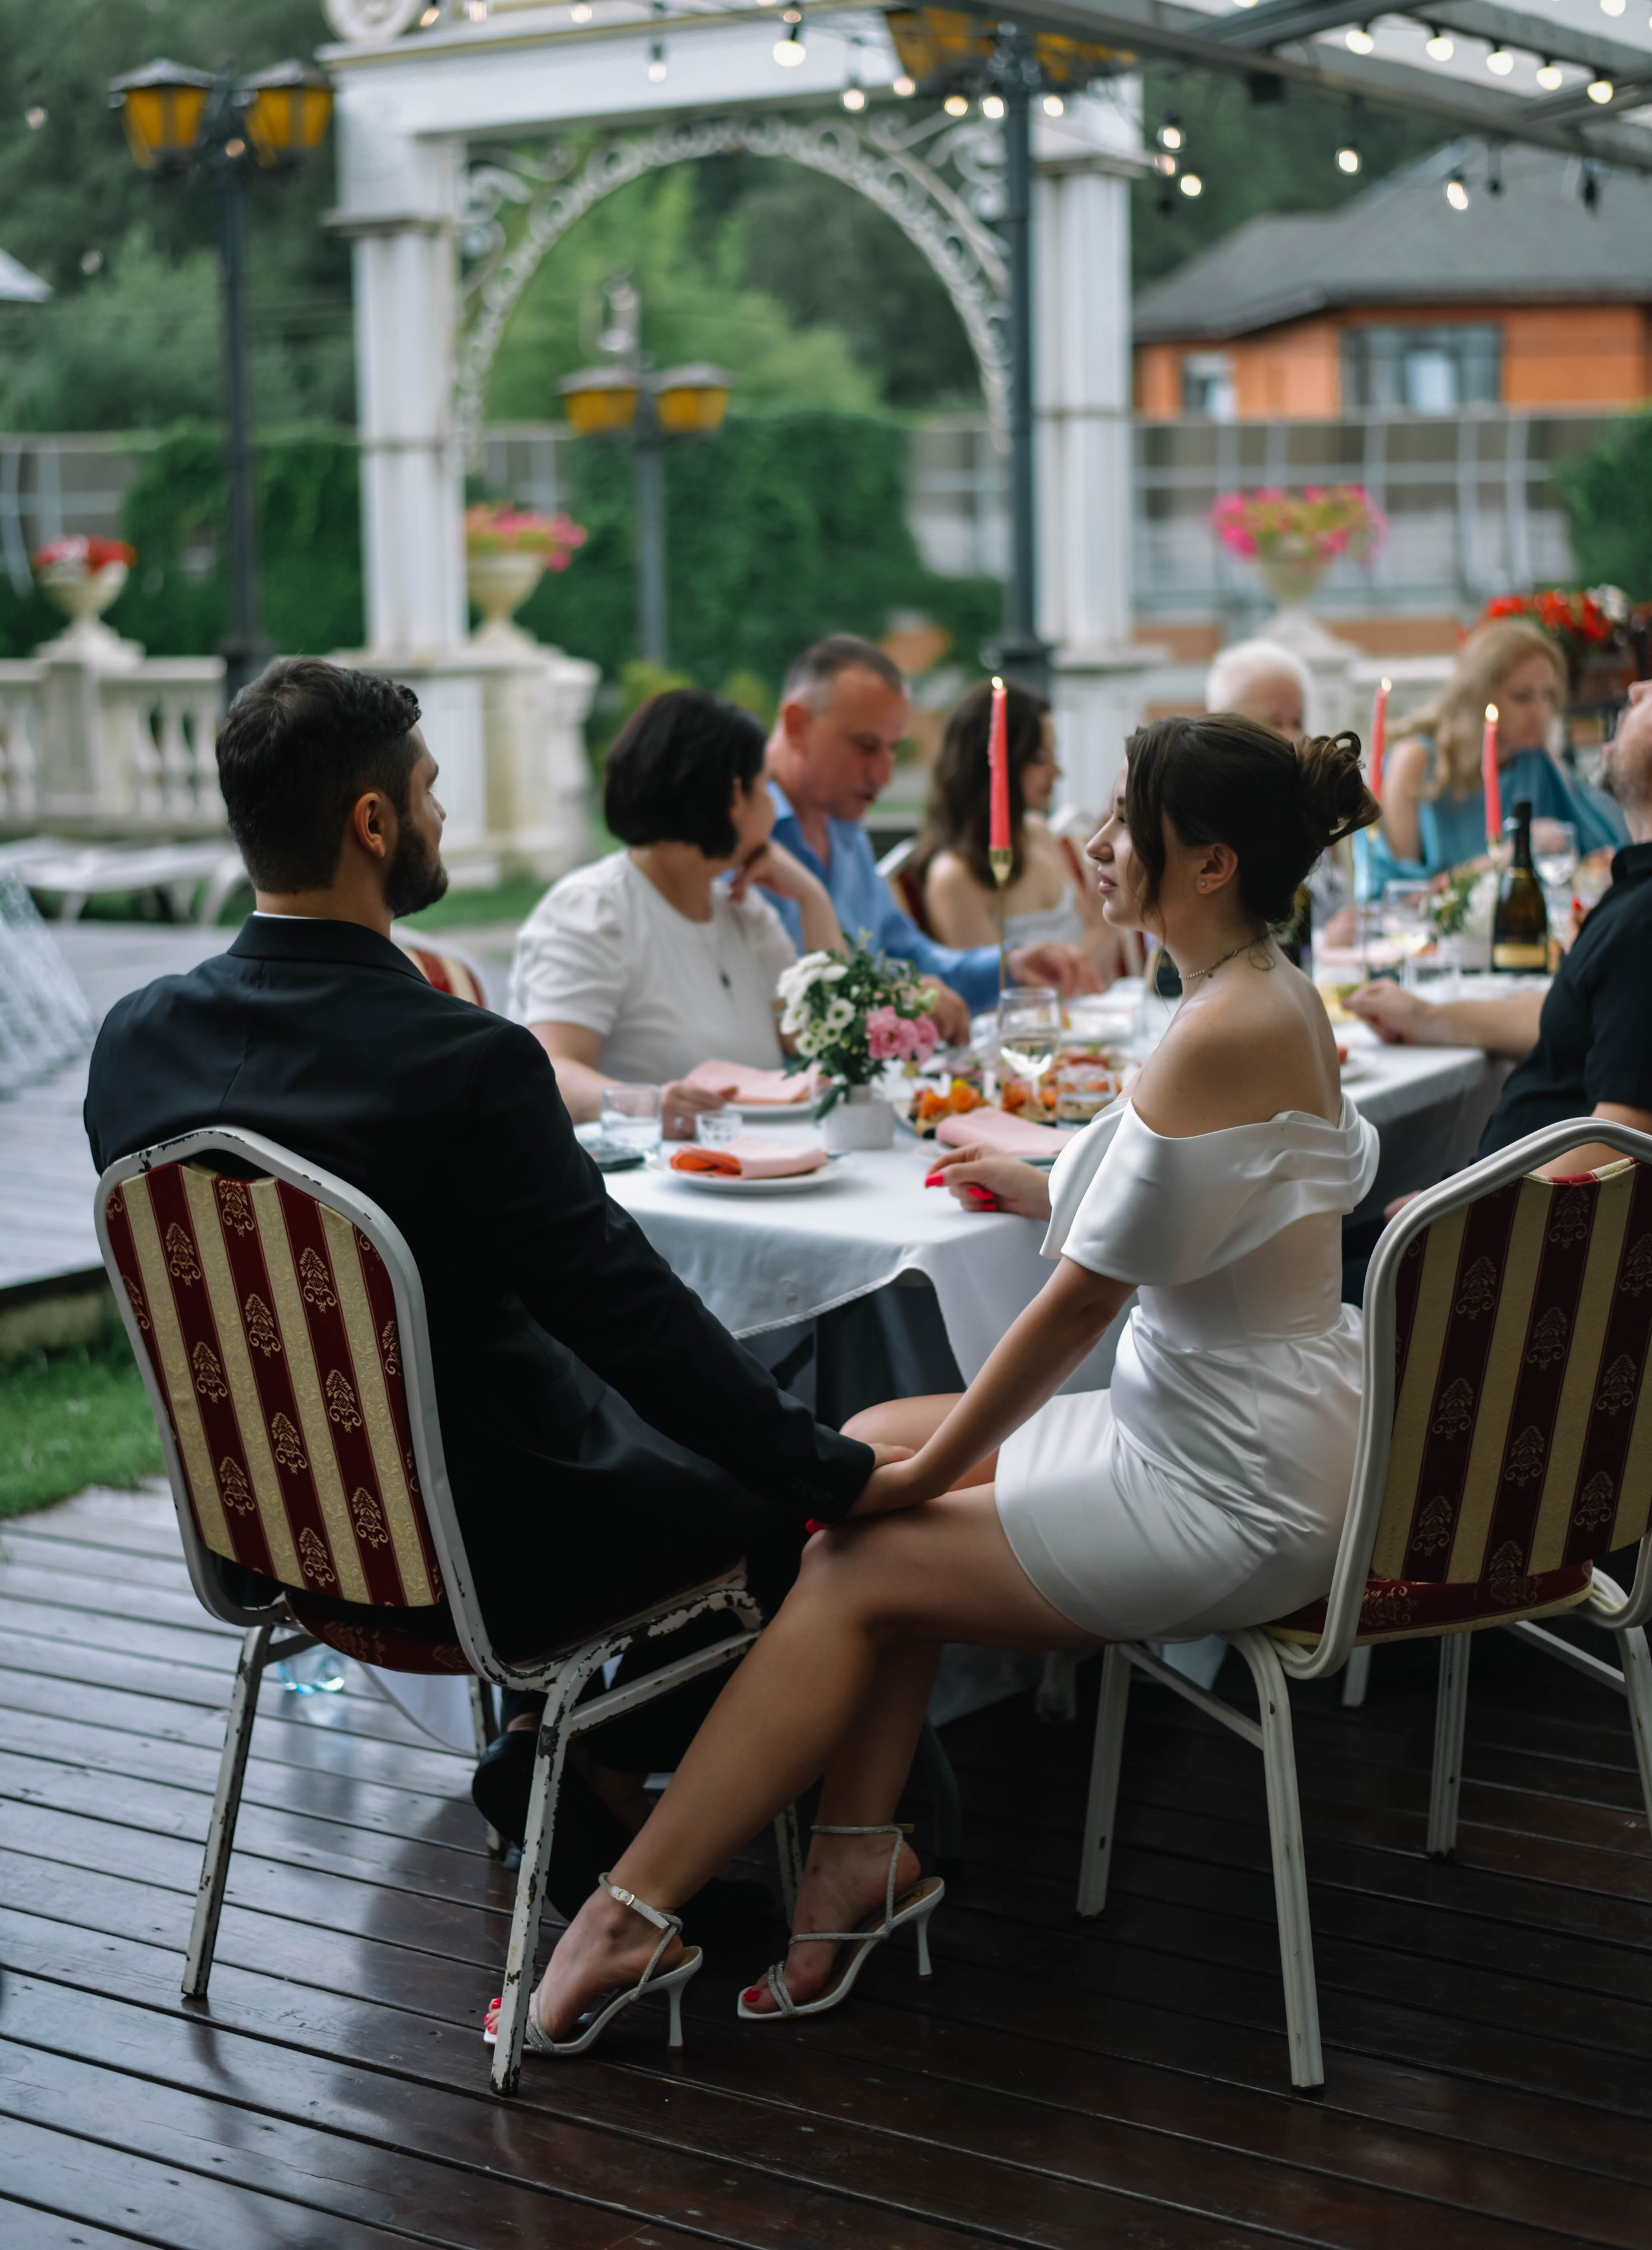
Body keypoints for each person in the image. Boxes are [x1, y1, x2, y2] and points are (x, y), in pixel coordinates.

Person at [502, 713, 1383, 2056]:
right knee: (863, 1438)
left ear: (1205, 864)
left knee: (865, 1537)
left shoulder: (1227, 1020)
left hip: (1232, 1481)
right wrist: (1046, 1176)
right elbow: (1188, 1190)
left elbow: (1084, 1292)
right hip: (1235, 1421)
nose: (1090, 845)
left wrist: (920, 1474)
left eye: (1119, 821)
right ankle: (855, 1856)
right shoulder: (1246, 991)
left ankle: (630, 1911)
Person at [83, 660, 874, 1893]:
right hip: (483, 1548)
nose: (441, 818)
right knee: (790, 1511)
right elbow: (626, 1315)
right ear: (374, 824)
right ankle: (598, 1761)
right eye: (432, 792)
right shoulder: (465, 1065)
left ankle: (562, 1762)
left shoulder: (135, 1042)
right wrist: (827, 1466)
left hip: (272, 1535)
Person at [1349, 677, 1652, 1181]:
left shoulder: (1645, 922)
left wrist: (1449, 1214)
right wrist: (1428, 1017)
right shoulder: (1636, 896)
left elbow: (1623, 1142)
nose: (1637, 688)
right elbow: (1591, 1017)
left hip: (1524, 1250)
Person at [509, 688, 840, 1140]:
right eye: (766, 784)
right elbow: (550, 1069)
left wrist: (811, 897)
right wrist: (645, 1106)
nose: (775, 804)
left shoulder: (744, 911)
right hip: (634, 1188)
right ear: (735, 796)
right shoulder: (594, 909)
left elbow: (831, 1045)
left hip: (751, 1169)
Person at [763, 635, 1089, 1044]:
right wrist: (891, 1000)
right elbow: (774, 1009)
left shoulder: (847, 836)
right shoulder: (737, 843)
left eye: (893, 751)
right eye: (866, 747)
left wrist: (1012, 964)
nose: (883, 776)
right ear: (797, 725)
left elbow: (911, 960)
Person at [1371, 619, 1622, 886]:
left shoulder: (1535, 758)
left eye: (1548, 696)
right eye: (1522, 697)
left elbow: (1599, 849)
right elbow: (1400, 893)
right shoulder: (1417, 760)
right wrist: (1513, 852)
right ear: (1479, 696)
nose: (1541, 713)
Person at [911, 679, 1125, 980]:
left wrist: (1118, 884)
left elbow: (1095, 961)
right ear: (991, 763)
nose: (1057, 772)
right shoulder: (953, 877)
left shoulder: (1038, 833)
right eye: (1040, 757)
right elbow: (1000, 994)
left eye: (1054, 754)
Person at [1206, 639, 1355, 946]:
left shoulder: (1305, 805)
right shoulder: (1201, 820)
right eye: (1274, 723)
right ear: (1222, 723)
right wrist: (1324, 942)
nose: (1293, 737)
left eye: (1297, 722)